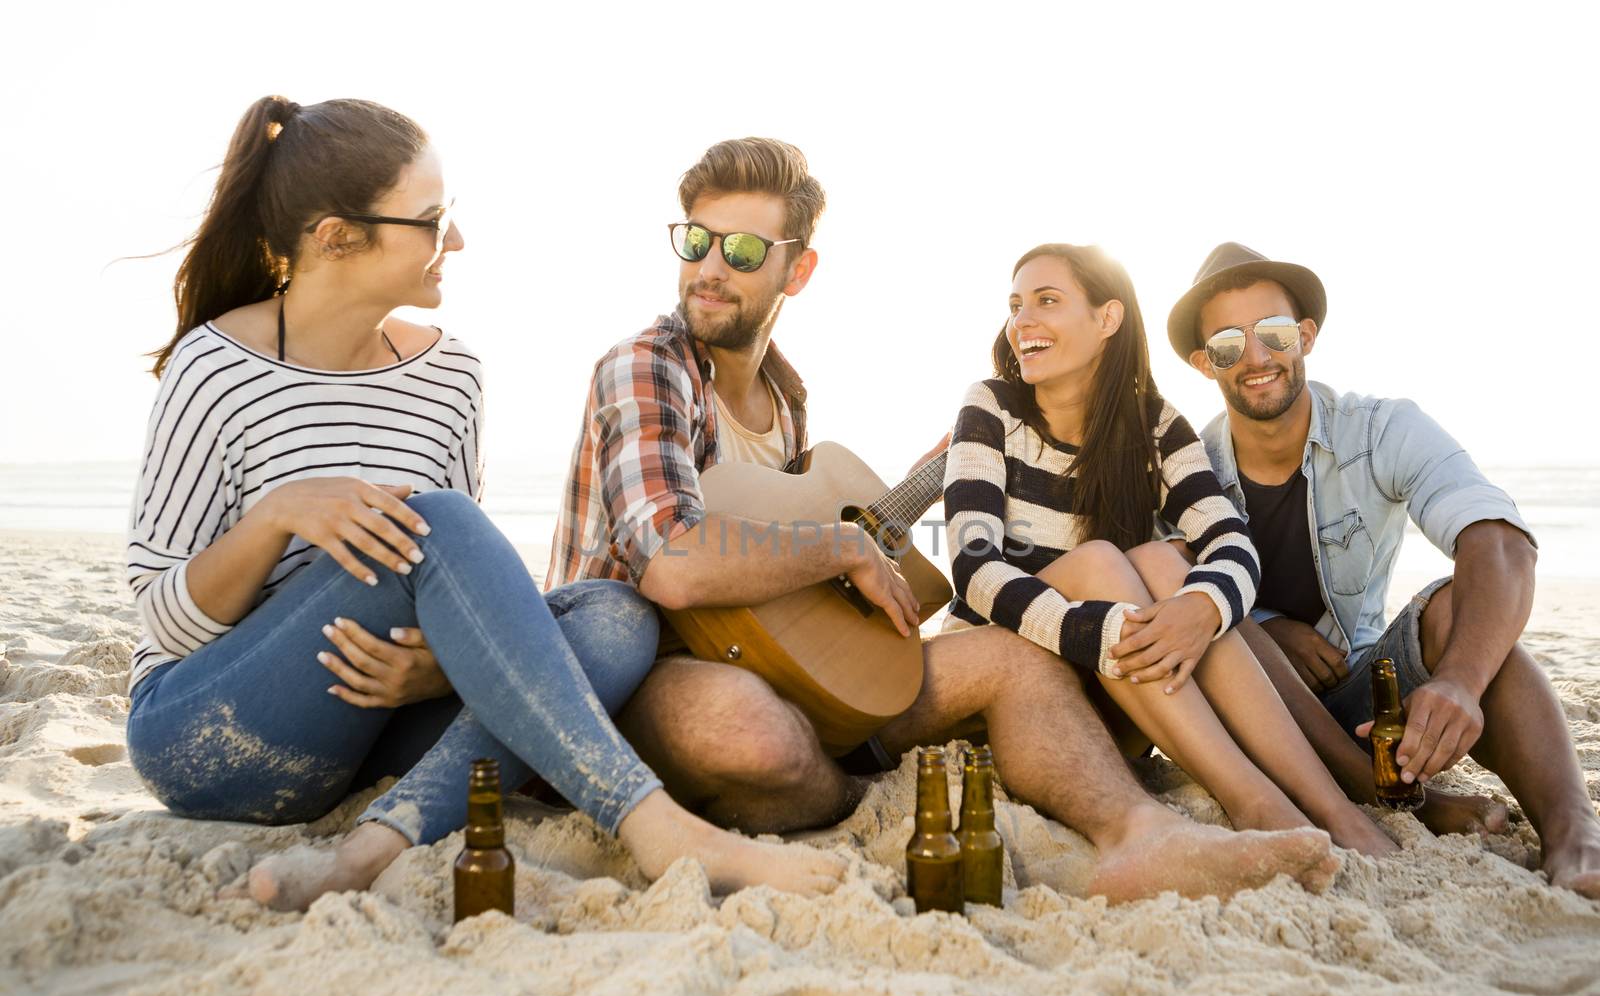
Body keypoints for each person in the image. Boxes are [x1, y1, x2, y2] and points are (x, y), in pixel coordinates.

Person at [547, 139, 1344, 904]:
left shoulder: (786, 397)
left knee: (1007, 657)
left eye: (745, 251)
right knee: (759, 735)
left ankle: (1140, 834)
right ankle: (843, 783)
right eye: (696, 240)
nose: (712, 267)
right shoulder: (647, 365)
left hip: (782, 663)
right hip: (644, 666)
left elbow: (774, 570)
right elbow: (673, 564)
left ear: (798, 267)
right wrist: (843, 546)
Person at [125, 97, 846, 913]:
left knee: (614, 617)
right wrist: (279, 514)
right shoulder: (214, 367)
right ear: (337, 237)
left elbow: (452, 587)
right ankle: (653, 823)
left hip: (372, 734)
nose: (455, 240)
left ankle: (366, 849)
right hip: (212, 732)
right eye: (432, 221)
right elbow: (164, 620)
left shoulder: (450, 374)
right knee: (445, 518)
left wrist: (439, 669)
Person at [1170, 241, 1600, 898]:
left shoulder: (1380, 430)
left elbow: (1500, 540)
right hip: (1245, 711)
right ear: (1205, 364)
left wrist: (1458, 681)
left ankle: (1573, 833)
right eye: (1228, 345)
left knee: (1472, 624)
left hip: (1362, 696)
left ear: (1306, 336)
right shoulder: (1187, 468)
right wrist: (1265, 627)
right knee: (1217, 617)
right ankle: (1389, 793)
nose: (1254, 357)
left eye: (1274, 333)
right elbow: (1164, 591)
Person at [943, 243, 1394, 856]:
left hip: (1122, 693)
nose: (1022, 321)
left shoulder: (1155, 424)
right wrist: (1099, 632)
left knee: (1168, 563)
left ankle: (1335, 807)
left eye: (1047, 301)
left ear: (1107, 319)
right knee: (1108, 560)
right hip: (1013, 675)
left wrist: (1201, 609)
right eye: (1015, 305)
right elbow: (972, 569)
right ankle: (1253, 800)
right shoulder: (990, 405)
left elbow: (1231, 541)